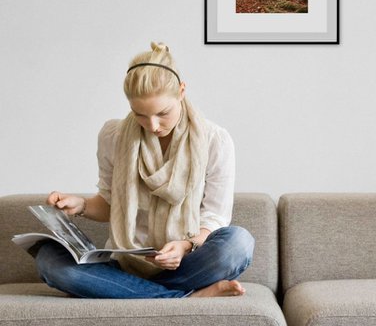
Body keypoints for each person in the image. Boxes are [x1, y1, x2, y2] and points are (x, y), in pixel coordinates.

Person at [34, 42, 254, 299]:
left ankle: (130, 293)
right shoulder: (113, 136)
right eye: (139, 115)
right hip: (124, 264)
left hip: (186, 263)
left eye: (163, 113)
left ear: (182, 91)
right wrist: (80, 204)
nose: (152, 125)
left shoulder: (215, 140)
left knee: (239, 243)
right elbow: (110, 204)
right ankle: (184, 298)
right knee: (48, 260)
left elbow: (214, 217)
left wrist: (184, 246)